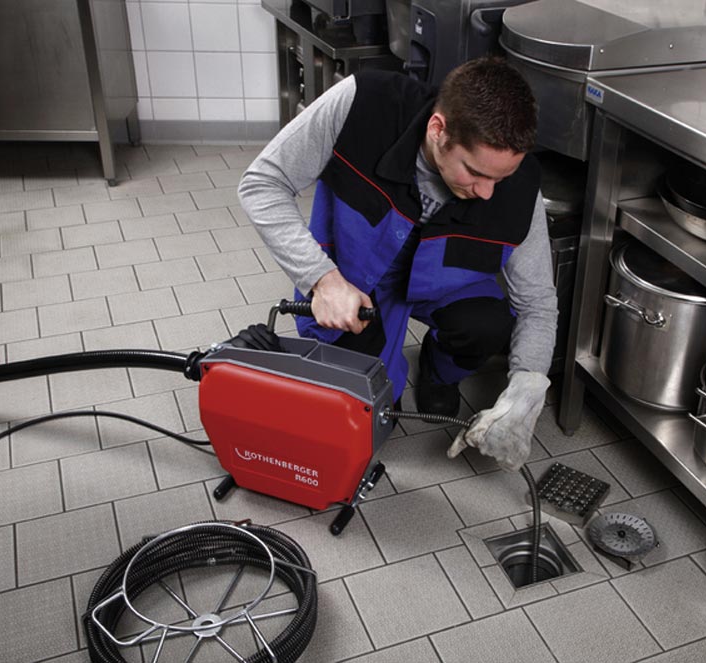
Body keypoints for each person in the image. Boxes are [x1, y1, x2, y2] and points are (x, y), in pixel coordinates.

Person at [238, 56, 557, 472]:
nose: (487, 193)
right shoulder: (361, 104)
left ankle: (439, 371)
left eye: (501, 177)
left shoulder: (519, 187)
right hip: (355, 280)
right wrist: (322, 280)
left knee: (487, 325)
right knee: (366, 411)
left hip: (444, 283)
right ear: (438, 130)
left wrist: (529, 383)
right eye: (475, 172)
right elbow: (262, 183)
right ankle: (372, 362)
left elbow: (537, 301)